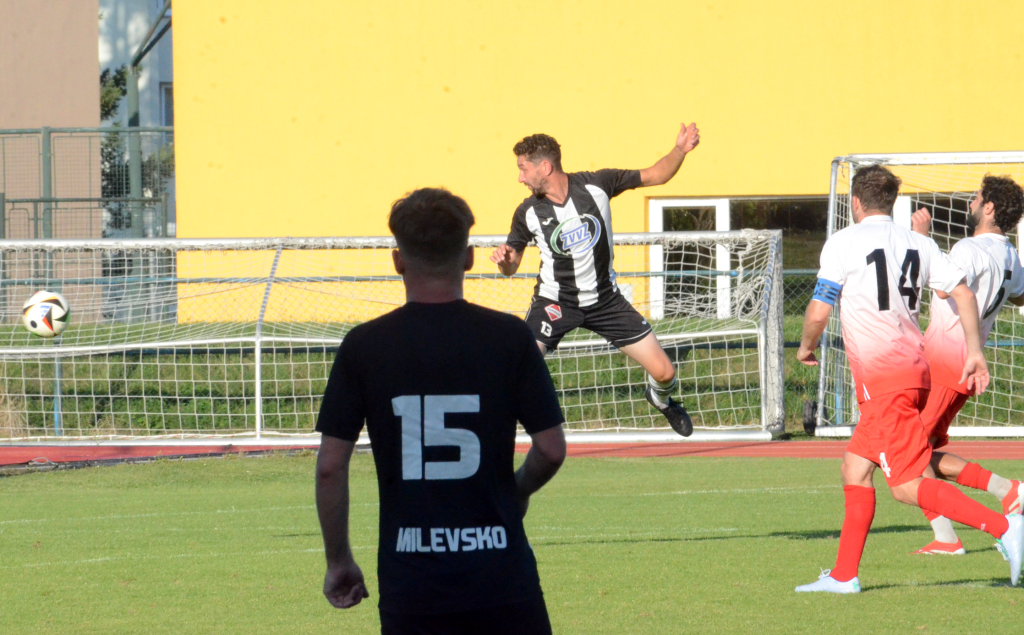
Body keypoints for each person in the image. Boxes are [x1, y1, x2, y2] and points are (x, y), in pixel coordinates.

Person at [315, 187, 567, 633]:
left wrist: (339, 561)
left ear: (398, 260)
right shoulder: (509, 337)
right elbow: (550, 450)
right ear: (468, 257)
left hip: (413, 587)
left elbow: (330, 468)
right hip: (502, 580)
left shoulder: (364, 346)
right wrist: (516, 491)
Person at [794, 165, 1023, 593]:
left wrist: (806, 346)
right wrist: (975, 351)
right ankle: (844, 575)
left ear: (856, 202)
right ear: (892, 202)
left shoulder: (843, 241)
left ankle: (1004, 527)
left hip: (884, 379)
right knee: (854, 468)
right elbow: (963, 293)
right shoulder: (919, 242)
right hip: (917, 370)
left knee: (905, 485)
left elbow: (820, 309)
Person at [490, 125, 700, 436]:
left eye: (523, 169)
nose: (520, 178)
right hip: (555, 303)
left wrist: (680, 150)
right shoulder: (527, 212)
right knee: (517, 369)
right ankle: (506, 434)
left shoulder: (597, 184)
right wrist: (505, 262)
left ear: (545, 167)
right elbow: (512, 265)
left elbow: (656, 174)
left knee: (665, 372)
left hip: (606, 302)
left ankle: (660, 399)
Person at [908, 176, 1024, 555]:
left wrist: (922, 240)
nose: (971, 203)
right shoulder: (1010, 255)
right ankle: (1006, 490)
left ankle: (949, 535)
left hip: (945, 362)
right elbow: (1021, 296)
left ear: (989, 208)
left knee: (906, 452)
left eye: (976, 198)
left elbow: (945, 288)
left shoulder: (969, 248)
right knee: (920, 453)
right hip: (961, 367)